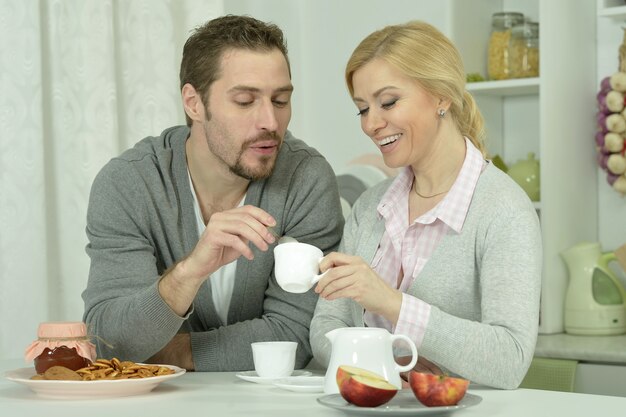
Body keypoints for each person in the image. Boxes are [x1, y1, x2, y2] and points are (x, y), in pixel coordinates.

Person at [82, 15, 344, 372]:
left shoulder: (306, 180)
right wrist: (189, 273)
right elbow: (110, 339)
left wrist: (169, 353)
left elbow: (294, 336)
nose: (270, 121)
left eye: (280, 100)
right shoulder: (128, 183)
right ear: (194, 102)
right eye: (245, 101)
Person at [310, 20, 542, 390]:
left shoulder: (503, 210)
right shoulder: (370, 208)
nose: (371, 123)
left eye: (388, 102)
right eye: (361, 109)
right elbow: (325, 327)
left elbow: (509, 360)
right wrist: (383, 367)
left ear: (441, 96)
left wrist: (391, 302)